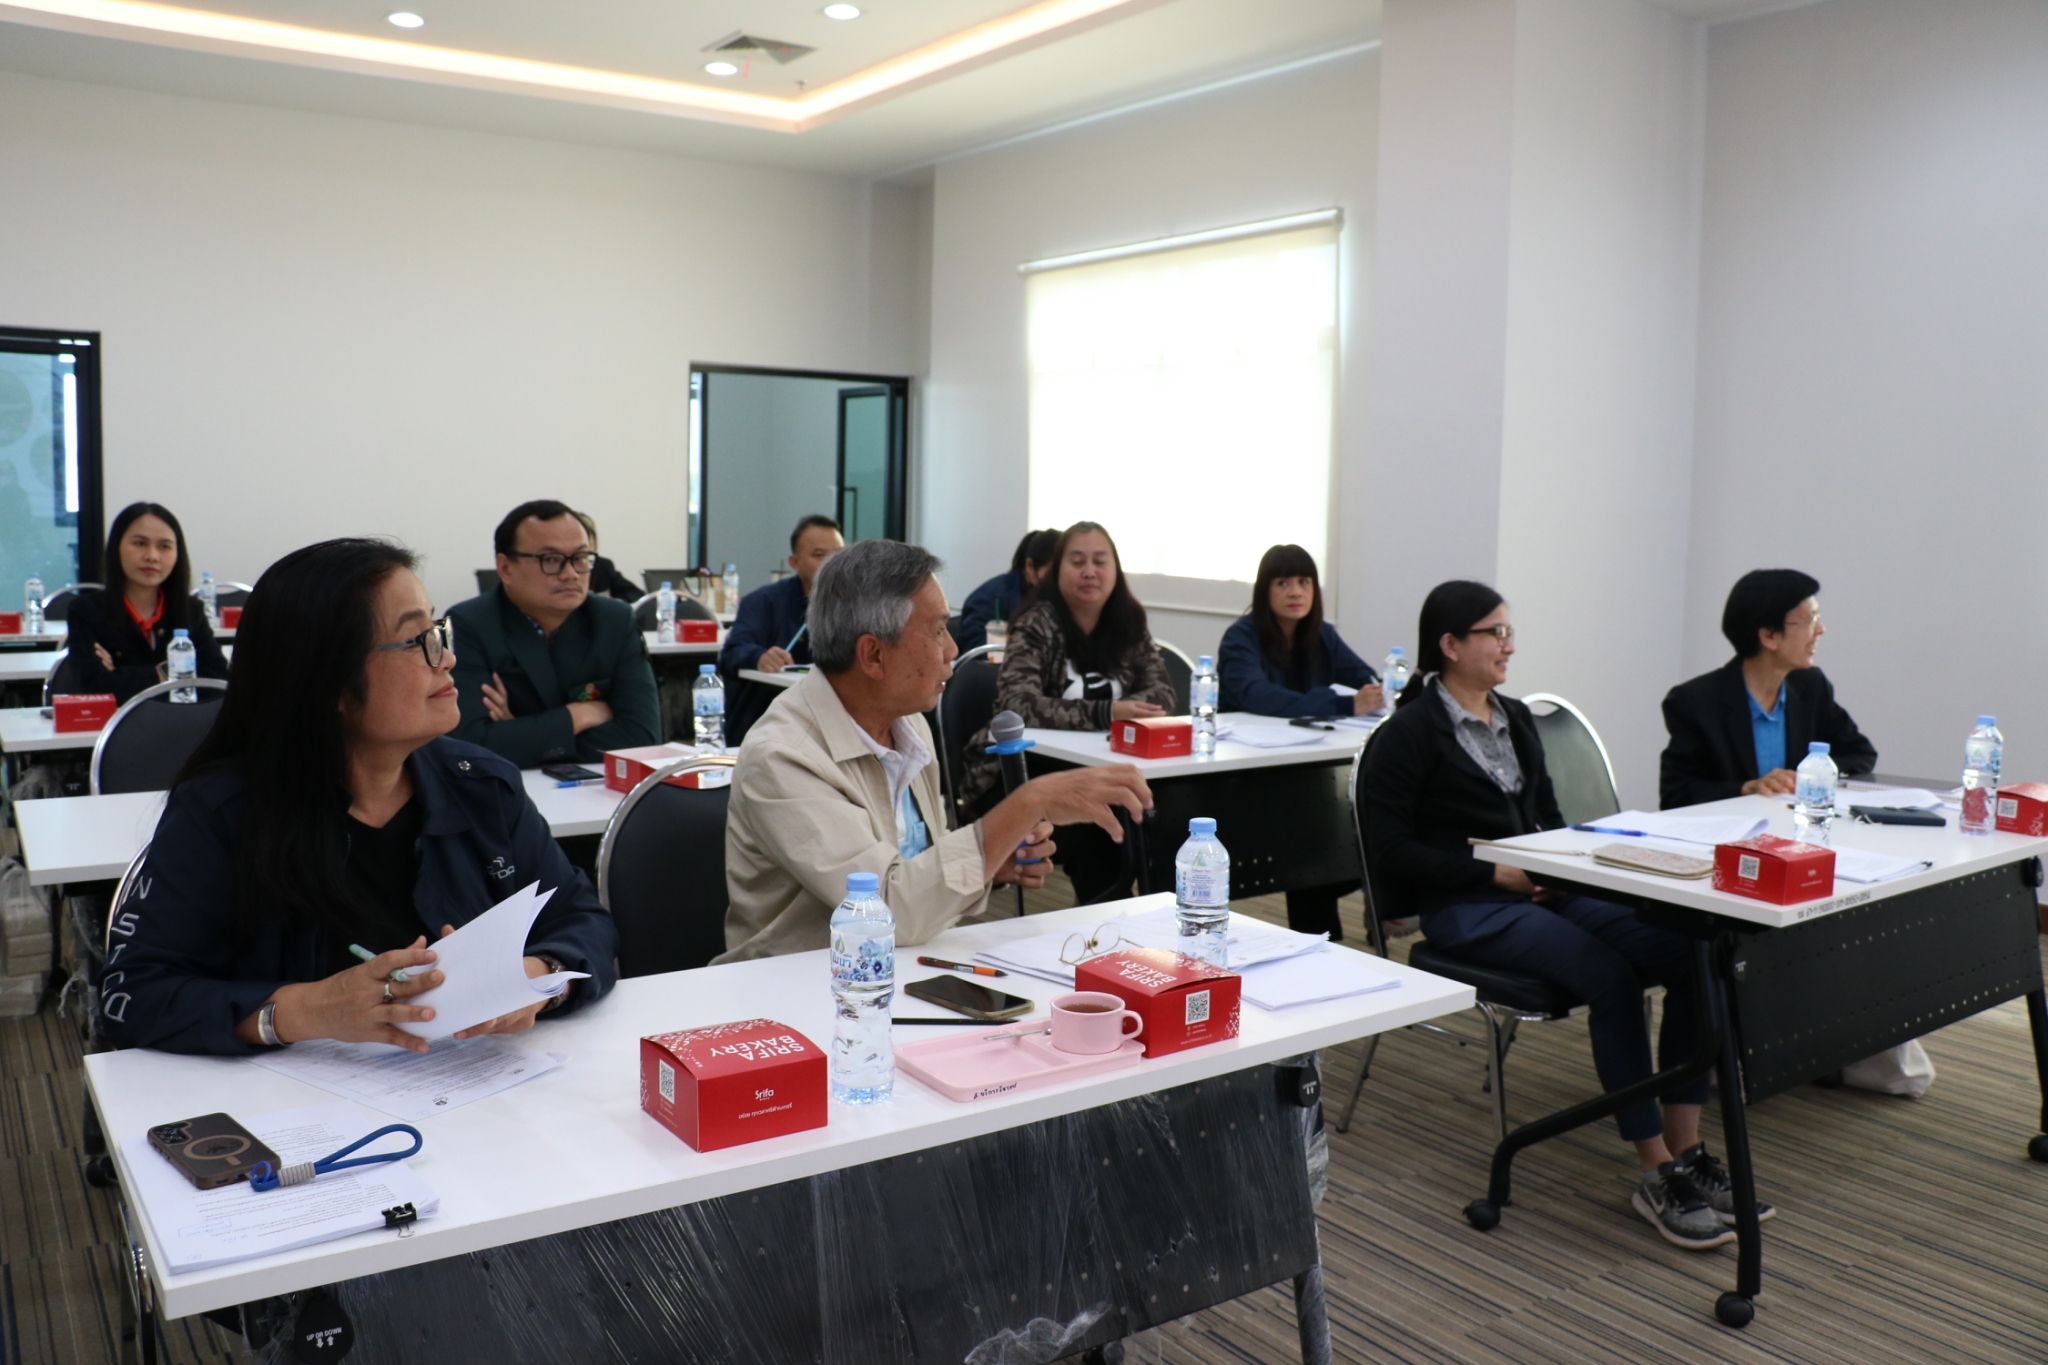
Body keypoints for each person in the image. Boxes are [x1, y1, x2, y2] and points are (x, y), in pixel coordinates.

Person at [1361, 580, 1770, 1250]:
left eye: (1508, 631)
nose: (1509, 645)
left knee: (1694, 952)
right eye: (1495, 633)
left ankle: (1687, 1146)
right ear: (1450, 645)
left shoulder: (1515, 717)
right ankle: (1655, 1170)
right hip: (1468, 905)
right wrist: (1496, 872)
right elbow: (1392, 851)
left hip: (1543, 890)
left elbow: (1548, 819)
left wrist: (1564, 867)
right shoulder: (1406, 734)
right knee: (1609, 976)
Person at [99, 538, 617, 1056]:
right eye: (417, 640)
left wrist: (539, 976)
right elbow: (134, 996)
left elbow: (582, 919)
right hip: (286, 1099)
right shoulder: (222, 811)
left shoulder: (481, 785)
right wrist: (307, 1010)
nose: (447, 658)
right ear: (330, 683)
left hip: (469, 1085)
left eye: (438, 631)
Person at [720, 539, 1152, 961]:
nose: (952, 649)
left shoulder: (907, 725)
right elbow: (884, 909)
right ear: (873, 655)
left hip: (901, 967)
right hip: (798, 984)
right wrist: (1028, 802)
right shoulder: (782, 756)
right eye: (938, 630)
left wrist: (991, 862)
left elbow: (915, 866)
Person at [963, 522, 1175, 903]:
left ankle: (1163, 919)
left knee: (1170, 814)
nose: (1089, 571)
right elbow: (1018, 703)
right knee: (1096, 831)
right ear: (1057, 571)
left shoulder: (1128, 620)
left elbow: (1162, 693)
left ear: (1115, 570)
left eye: (1100, 561)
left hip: (1104, 765)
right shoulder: (1036, 623)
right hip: (1019, 776)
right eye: (1077, 562)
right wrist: (1108, 713)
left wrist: (1125, 714)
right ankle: (1113, 927)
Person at [1216, 543, 1383, 938]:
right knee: (1315, 850)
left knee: (1330, 848)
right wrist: (1344, 704)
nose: (1296, 592)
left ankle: (1334, 929)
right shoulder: (1240, 638)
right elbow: (1257, 696)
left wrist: (1378, 692)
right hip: (1245, 777)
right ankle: (1335, 926)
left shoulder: (1322, 634)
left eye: (1305, 582)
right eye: (1283, 582)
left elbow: (1366, 678)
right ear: (1264, 590)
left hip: (1306, 771)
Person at [448, 499, 661, 768]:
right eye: (551, 560)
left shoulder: (614, 620)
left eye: (580, 558)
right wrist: (577, 716)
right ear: (505, 568)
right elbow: (468, 745)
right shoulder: (469, 624)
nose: (570, 573)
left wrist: (523, 737)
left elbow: (643, 738)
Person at [1659, 569, 1876, 810]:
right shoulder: (1695, 701)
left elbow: (1860, 754)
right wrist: (1746, 788)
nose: (1820, 629)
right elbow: (1676, 794)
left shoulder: (1811, 686)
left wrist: (1808, 776)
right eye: (1809, 620)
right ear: (1769, 636)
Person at [58, 502, 229, 703]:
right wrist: (170, 674)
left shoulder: (191, 609)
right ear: (117, 547)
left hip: (182, 720)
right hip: (116, 722)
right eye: (140, 544)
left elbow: (217, 681)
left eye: (164, 546)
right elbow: (93, 688)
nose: (152, 556)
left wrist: (123, 675)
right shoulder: (87, 610)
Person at [718, 514, 846, 744]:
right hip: (767, 728)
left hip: (830, 725)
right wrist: (759, 657)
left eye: (838, 555)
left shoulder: (854, 606)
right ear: (795, 563)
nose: (830, 564)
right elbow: (732, 652)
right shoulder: (763, 601)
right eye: (819, 555)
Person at [956, 528, 1060, 651]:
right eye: (1051, 574)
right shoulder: (989, 598)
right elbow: (977, 649)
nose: (1057, 581)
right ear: (1030, 567)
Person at [571, 508, 642, 604]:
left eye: (589, 539)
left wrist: (610, 604)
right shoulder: (562, 569)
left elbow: (635, 595)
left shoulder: (603, 565)